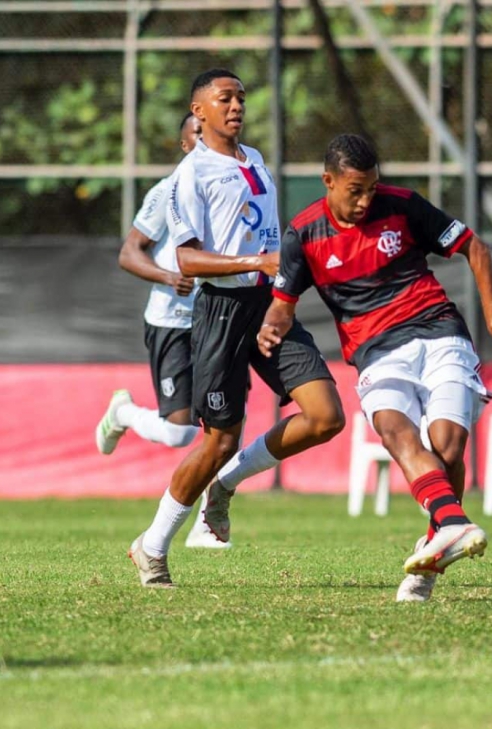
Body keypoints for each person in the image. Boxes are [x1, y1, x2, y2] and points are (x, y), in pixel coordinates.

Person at [257, 133, 492, 602]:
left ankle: (434, 547)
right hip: (376, 351)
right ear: (327, 182)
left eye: (372, 187)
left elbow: (475, 247)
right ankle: (450, 526)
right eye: (355, 190)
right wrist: (271, 325)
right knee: (394, 429)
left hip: (439, 331)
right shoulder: (303, 234)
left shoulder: (404, 205)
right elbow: (282, 305)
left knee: (448, 448)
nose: (367, 200)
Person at [128, 69, 344, 587]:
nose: (236, 106)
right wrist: (257, 260)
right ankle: (152, 546)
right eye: (224, 98)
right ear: (198, 112)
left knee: (325, 416)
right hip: (221, 313)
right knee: (217, 439)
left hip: (268, 306)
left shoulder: (258, 162)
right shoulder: (191, 174)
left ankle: (225, 485)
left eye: (241, 97)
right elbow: (186, 259)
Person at [95, 111, 224, 549]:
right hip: (171, 322)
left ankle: (207, 526)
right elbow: (129, 253)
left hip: (217, 318)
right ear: (186, 144)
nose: (206, 142)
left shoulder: (232, 183)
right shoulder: (168, 190)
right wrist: (170, 277)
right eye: (197, 136)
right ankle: (124, 413)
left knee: (225, 427)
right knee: (178, 433)